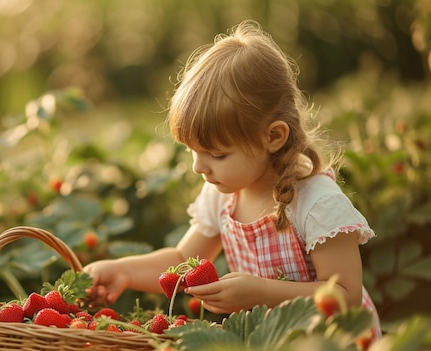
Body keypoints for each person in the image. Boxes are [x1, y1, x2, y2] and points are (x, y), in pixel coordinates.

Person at [83, 20, 381, 341]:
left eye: (217, 154)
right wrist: (124, 271)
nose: (199, 167)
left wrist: (262, 292)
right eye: (193, 152)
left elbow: (346, 294)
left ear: (273, 136)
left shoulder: (315, 201)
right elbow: (184, 260)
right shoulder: (221, 194)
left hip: (334, 341)